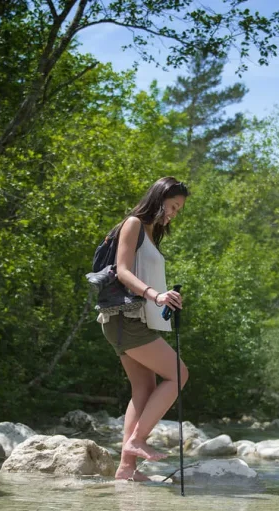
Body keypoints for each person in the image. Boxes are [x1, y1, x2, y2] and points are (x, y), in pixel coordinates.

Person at [96, 177, 189, 481]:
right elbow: (122, 271)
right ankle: (137, 440)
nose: (174, 213)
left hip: (132, 321)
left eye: (179, 209)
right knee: (179, 374)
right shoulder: (134, 223)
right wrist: (155, 294)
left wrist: (166, 298)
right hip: (125, 319)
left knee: (144, 389)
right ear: (160, 197)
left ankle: (126, 469)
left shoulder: (150, 234)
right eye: (173, 205)